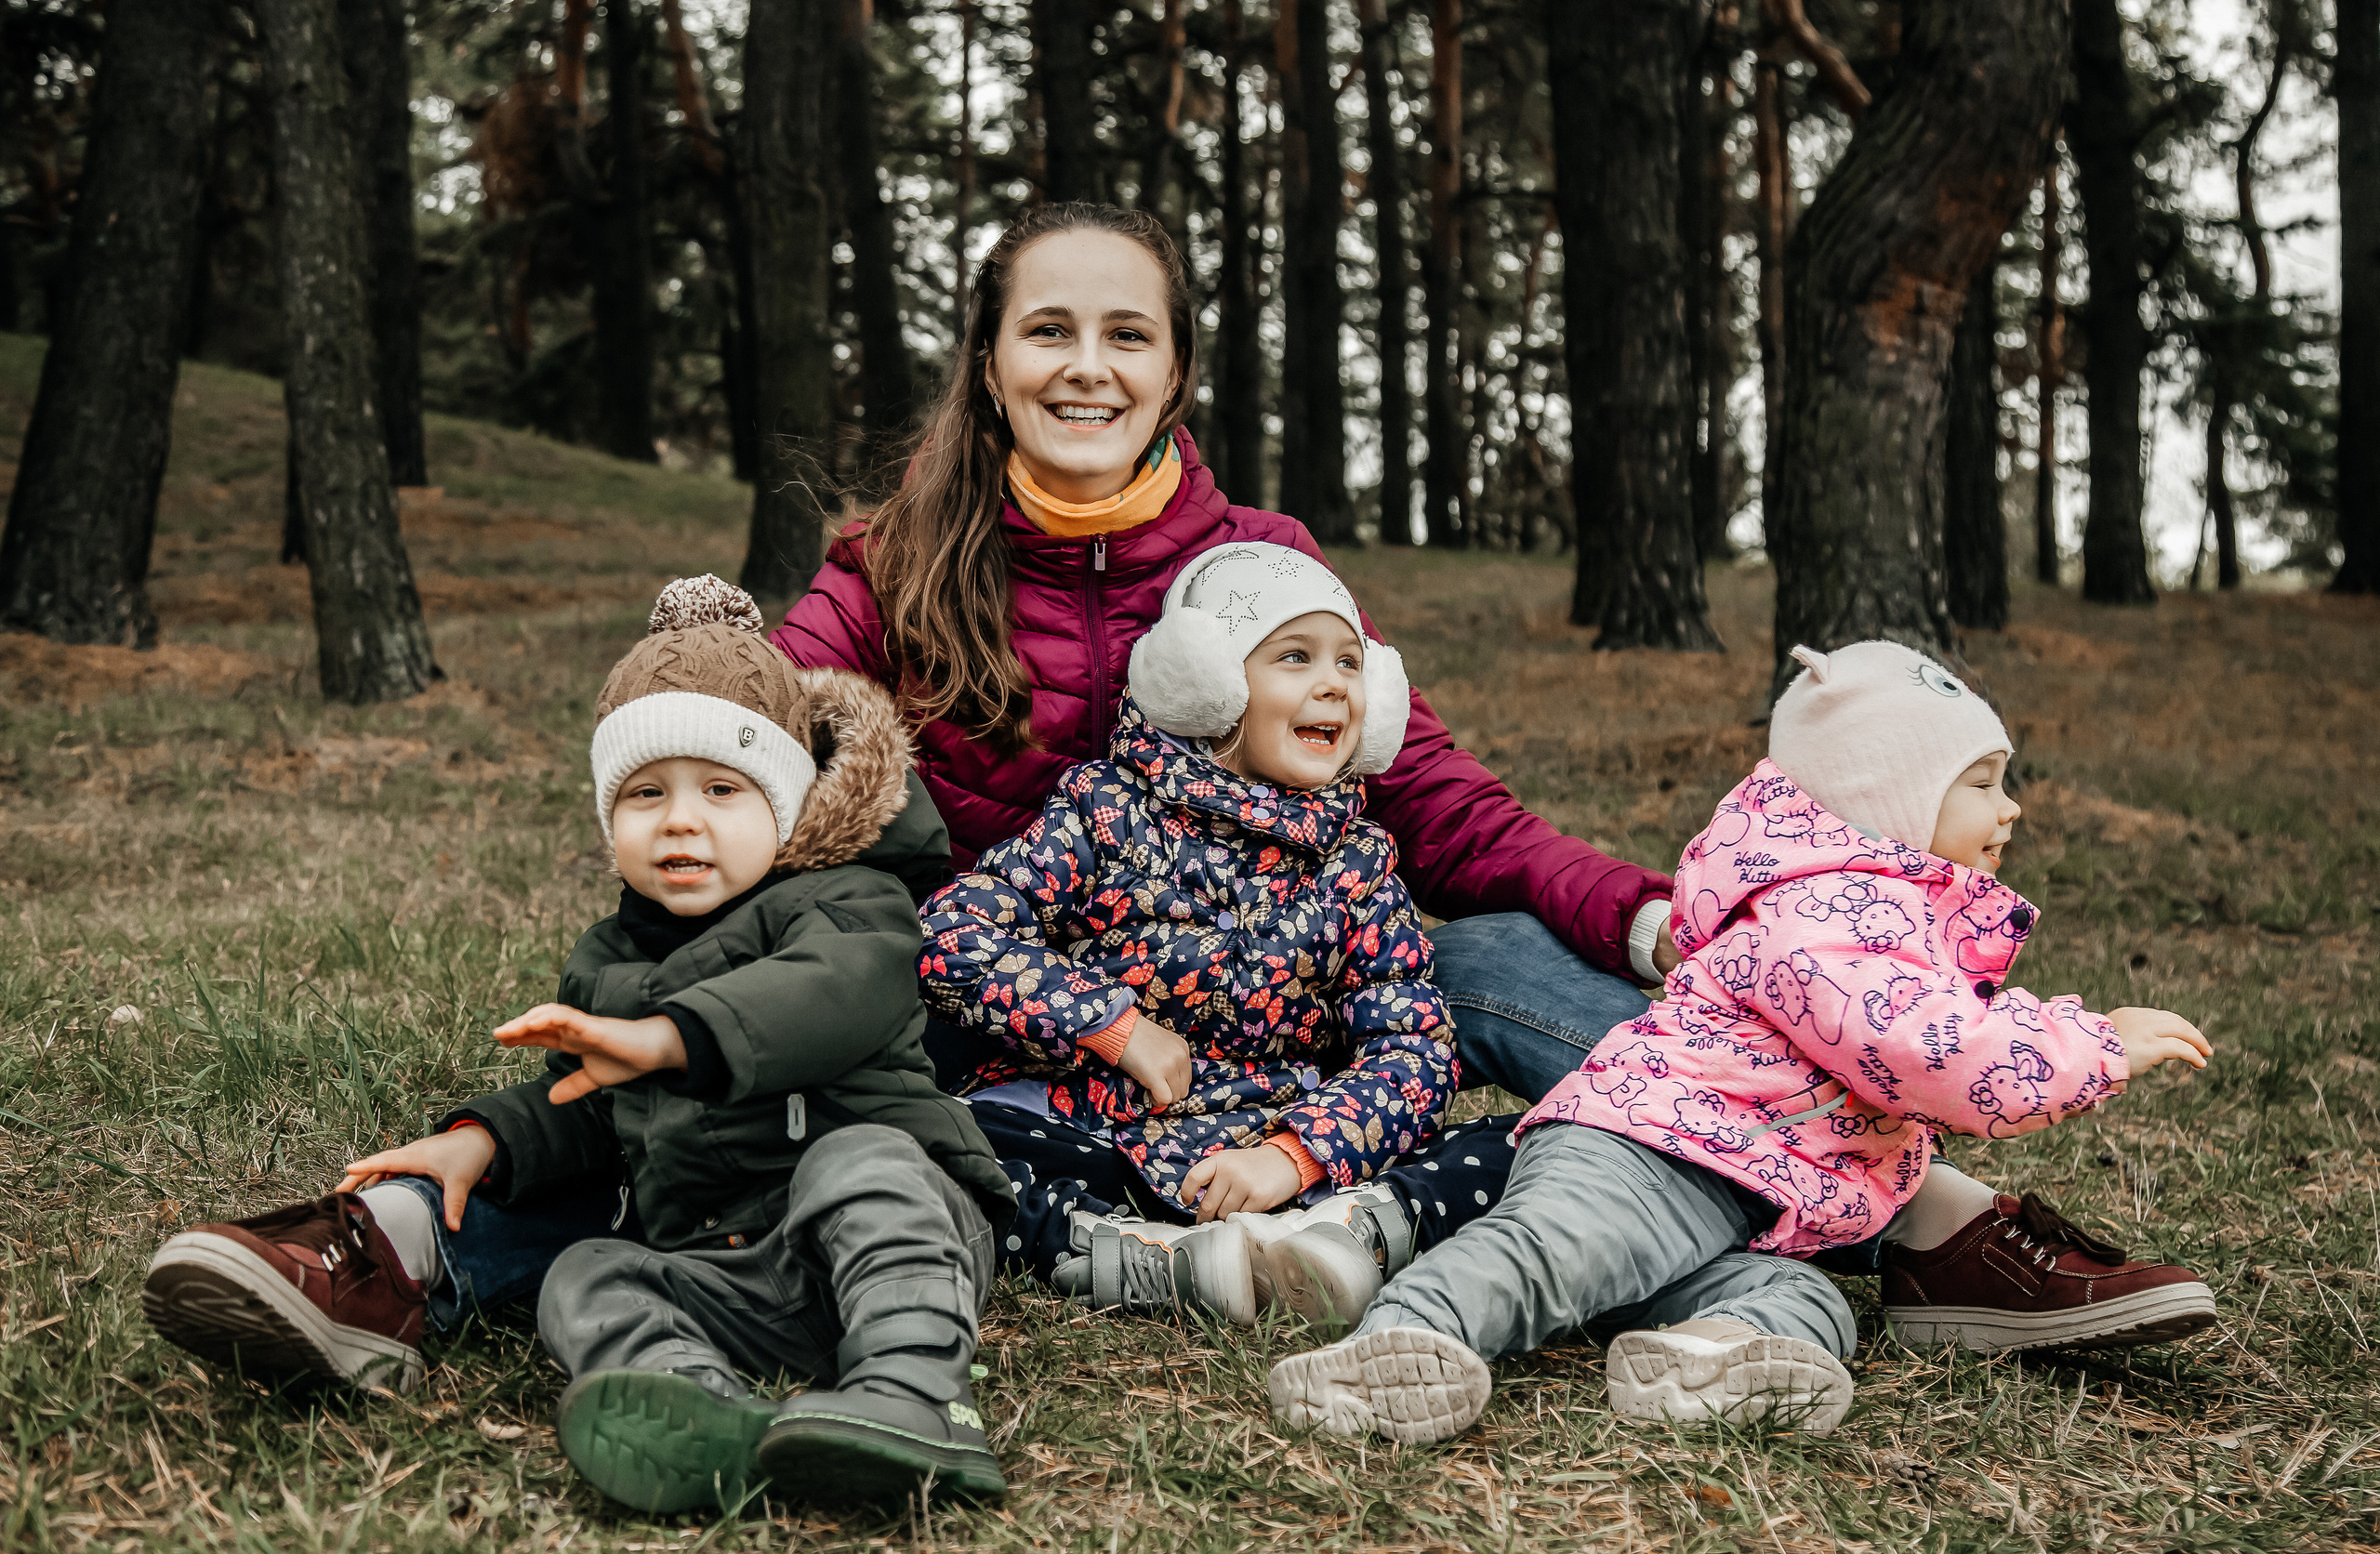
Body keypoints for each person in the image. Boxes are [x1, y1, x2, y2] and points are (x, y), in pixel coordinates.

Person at [763, 198, 2070, 1306]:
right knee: (847, 1014)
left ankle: (1913, 1208)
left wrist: (1649, 917)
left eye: (1127, 334)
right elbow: (755, 737)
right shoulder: (895, 566)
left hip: (1260, 1009)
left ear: (1176, 371)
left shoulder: (1266, 568)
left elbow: (1437, 804)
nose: (1085, 366)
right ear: (988, 363)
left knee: (1494, 955)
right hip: (1006, 1006)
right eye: (1046, 330)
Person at [143, 578, 1015, 1514]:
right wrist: (484, 1138)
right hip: (734, 1274)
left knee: (862, 1163)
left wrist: (669, 1036)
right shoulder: (614, 958)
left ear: (790, 806)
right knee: (590, 1271)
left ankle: (917, 1398)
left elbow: (827, 998)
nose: (680, 819)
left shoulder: (852, 902)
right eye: (645, 795)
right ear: (610, 826)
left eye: (722, 790)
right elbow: (593, 1103)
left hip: (896, 1238)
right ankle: (697, 1408)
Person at [1263, 641, 2223, 1444]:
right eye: (1979, 784)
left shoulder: (1883, 912)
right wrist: (2091, 1045)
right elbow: (1934, 1050)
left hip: (1750, 1198)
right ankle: (1399, 1344)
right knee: (1554, 1253)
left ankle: (1712, 1362)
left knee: (1806, 1309)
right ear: (1882, 799)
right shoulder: (1827, 918)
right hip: (1647, 1152)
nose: (2007, 808)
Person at [919, 542, 1526, 1322]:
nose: (1333, 685)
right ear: (1207, 682)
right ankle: (1114, 1249)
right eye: (1297, 657)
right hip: (1099, 1129)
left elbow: (1414, 1045)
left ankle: (1351, 1229)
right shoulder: (1105, 810)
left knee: (1523, 1142)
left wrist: (1296, 1155)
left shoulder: (1357, 862)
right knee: (945, 1136)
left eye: (1349, 664)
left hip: (1268, 1142)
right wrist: (1111, 1024)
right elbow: (954, 932)